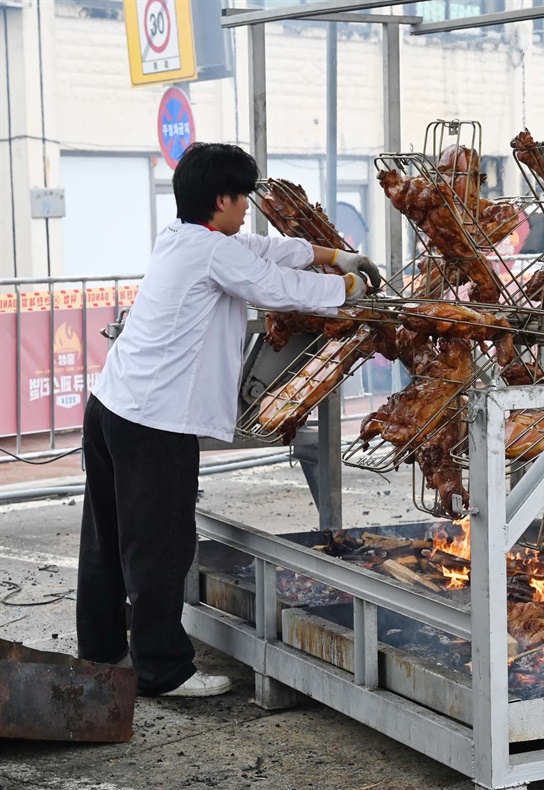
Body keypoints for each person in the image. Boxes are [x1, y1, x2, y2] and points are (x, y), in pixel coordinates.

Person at [76, 142, 382, 697]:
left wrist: (333, 257)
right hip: (154, 423)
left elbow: (264, 250)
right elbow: (279, 287)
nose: (247, 209)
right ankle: (162, 670)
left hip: (111, 406)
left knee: (107, 536)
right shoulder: (213, 254)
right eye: (242, 198)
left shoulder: (184, 238)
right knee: (160, 546)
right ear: (220, 199)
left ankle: (100, 651)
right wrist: (349, 287)